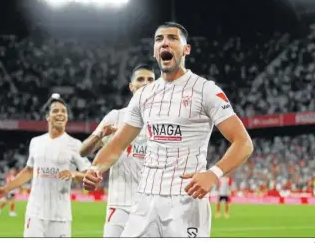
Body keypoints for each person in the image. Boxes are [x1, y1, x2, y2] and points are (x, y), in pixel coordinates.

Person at [83, 22, 254, 237]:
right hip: (145, 199)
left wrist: (213, 173)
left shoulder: (206, 90)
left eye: (172, 38)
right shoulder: (143, 96)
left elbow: (244, 143)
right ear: (155, 52)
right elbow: (117, 144)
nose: (165, 42)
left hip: (186, 199)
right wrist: (96, 168)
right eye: (159, 39)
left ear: (186, 49)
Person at [0, 94, 90, 238]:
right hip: (35, 212)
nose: (60, 114)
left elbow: (89, 175)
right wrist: (7, 188)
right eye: (55, 111)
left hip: (60, 215)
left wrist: (74, 174)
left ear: (67, 117)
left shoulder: (75, 145)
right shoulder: (35, 142)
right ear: (47, 116)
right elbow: (29, 171)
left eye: (64, 111)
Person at [80, 64, 155, 237]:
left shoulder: (163, 121)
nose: (146, 83)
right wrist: (99, 135)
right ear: (131, 86)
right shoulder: (116, 116)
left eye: (151, 80)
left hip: (152, 207)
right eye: (140, 79)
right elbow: (84, 151)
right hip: (120, 205)